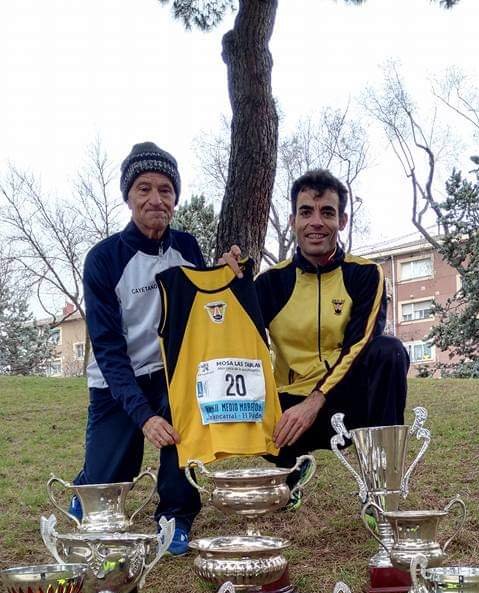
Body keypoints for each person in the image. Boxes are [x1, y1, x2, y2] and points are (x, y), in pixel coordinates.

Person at [73, 141, 240, 554]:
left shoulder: (188, 248)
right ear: (128, 197)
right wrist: (144, 416)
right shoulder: (103, 259)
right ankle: (89, 483)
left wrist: (227, 278)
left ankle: (176, 517)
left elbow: (206, 312)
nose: (155, 199)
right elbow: (108, 351)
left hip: (172, 374)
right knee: (110, 482)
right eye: (143, 188)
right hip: (116, 382)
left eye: (165, 189)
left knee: (183, 434)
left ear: (175, 199)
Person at [255, 169, 410, 491]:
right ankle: (289, 474)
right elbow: (240, 343)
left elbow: (359, 344)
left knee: (389, 351)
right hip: (290, 408)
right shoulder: (269, 283)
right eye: (306, 212)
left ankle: (382, 489)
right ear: (292, 221)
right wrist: (229, 284)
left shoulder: (366, 274)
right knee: (250, 405)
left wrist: (315, 401)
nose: (316, 222)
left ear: (342, 221)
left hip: (347, 402)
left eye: (327, 212)